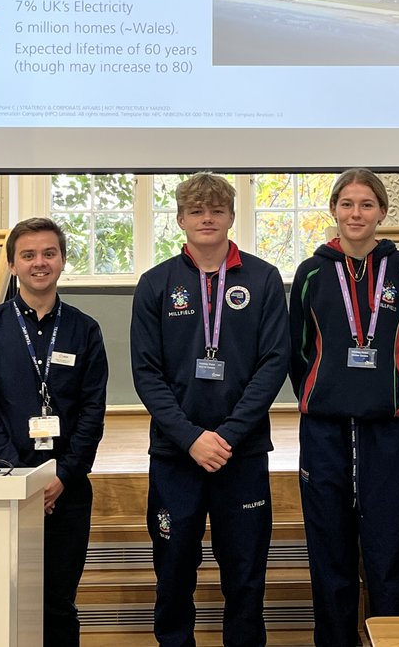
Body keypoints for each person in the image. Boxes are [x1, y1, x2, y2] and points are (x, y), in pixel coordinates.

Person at [130, 172, 291, 647]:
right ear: (180, 219)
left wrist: (229, 435)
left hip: (241, 454)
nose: (207, 219)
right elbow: (146, 373)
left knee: (245, 574)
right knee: (174, 571)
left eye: (216, 210)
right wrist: (191, 437)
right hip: (176, 455)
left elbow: (273, 362)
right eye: (196, 211)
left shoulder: (262, 279)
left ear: (231, 217)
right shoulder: (156, 283)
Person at [289, 168, 399, 646]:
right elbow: (298, 351)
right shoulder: (310, 273)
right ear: (333, 210)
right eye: (348, 204)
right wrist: (319, 395)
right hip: (325, 433)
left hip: (387, 432)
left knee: (391, 554)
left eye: (367, 204)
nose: (357, 213)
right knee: (330, 553)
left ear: (382, 213)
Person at [0, 217, 109, 646]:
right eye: (28, 255)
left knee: (59, 603)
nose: (39, 263)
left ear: (62, 261)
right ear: (12, 264)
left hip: (67, 489)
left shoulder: (85, 329)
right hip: (4, 488)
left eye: (48, 253)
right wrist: (21, 479)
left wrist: (60, 476)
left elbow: (92, 412)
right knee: (6, 599)